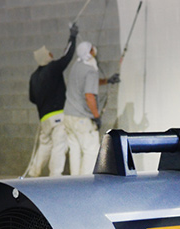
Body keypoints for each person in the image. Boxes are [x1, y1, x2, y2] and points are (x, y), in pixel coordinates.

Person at [26, 24, 78, 176]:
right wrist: (72, 37)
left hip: (44, 119)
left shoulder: (34, 77)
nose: (52, 54)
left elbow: (32, 98)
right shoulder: (53, 68)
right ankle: (55, 176)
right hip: (58, 116)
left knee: (44, 145)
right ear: (46, 57)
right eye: (49, 53)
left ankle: (33, 172)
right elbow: (67, 57)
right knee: (59, 146)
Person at [63, 40, 118, 175]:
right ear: (89, 52)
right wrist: (96, 116)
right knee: (91, 150)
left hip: (68, 116)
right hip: (82, 118)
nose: (95, 50)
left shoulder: (77, 66)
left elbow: (86, 83)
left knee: (75, 150)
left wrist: (106, 81)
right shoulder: (90, 70)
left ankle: (75, 183)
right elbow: (89, 95)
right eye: (92, 48)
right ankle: (85, 184)